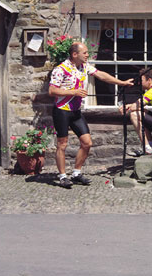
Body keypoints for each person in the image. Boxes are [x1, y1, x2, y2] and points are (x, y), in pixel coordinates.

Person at [49, 42, 134, 188]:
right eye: (85, 53)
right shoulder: (61, 69)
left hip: (76, 111)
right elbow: (52, 91)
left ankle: (76, 173)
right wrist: (73, 92)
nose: (88, 55)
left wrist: (121, 83)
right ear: (75, 54)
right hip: (62, 110)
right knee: (62, 144)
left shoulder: (84, 66)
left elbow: (101, 75)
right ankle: (62, 176)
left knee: (87, 142)